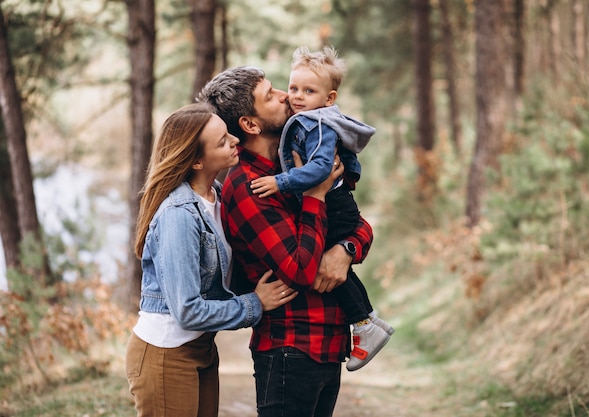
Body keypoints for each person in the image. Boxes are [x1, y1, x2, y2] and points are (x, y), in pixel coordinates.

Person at [197, 65, 373, 417]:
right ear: (250, 124)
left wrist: (345, 250)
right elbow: (299, 271)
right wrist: (315, 196)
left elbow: (358, 224)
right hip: (290, 349)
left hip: (327, 344)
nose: (286, 96)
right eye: (271, 95)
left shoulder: (293, 165)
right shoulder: (249, 187)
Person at [125, 102, 297, 417]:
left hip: (202, 348)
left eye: (228, 133)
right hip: (166, 353)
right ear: (197, 162)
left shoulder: (216, 197)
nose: (235, 140)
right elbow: (188, 310)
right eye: (222, 142)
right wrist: (254, 303)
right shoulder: (180, 215)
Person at [250, 46, 394, 372]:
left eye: (308, 91)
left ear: (329, 99)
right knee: (332, 261)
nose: (296, 97)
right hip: (335, 202)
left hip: (334, 204)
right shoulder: (311, 119)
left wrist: (281, 182)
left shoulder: (317, 125)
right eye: (293, 88)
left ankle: (364, 324)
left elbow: (319, 170)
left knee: (324, 262)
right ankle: (368, 323)